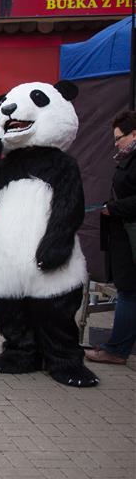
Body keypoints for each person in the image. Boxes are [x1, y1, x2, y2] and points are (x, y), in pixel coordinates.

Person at [85, 110, 136, 365]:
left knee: (128, 294)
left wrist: (114, 208)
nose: (116, 143)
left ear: (134, 133)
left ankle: (116, 350)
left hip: (130, 237)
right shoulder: (128, 159)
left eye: (119, 137)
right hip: (124, 235)